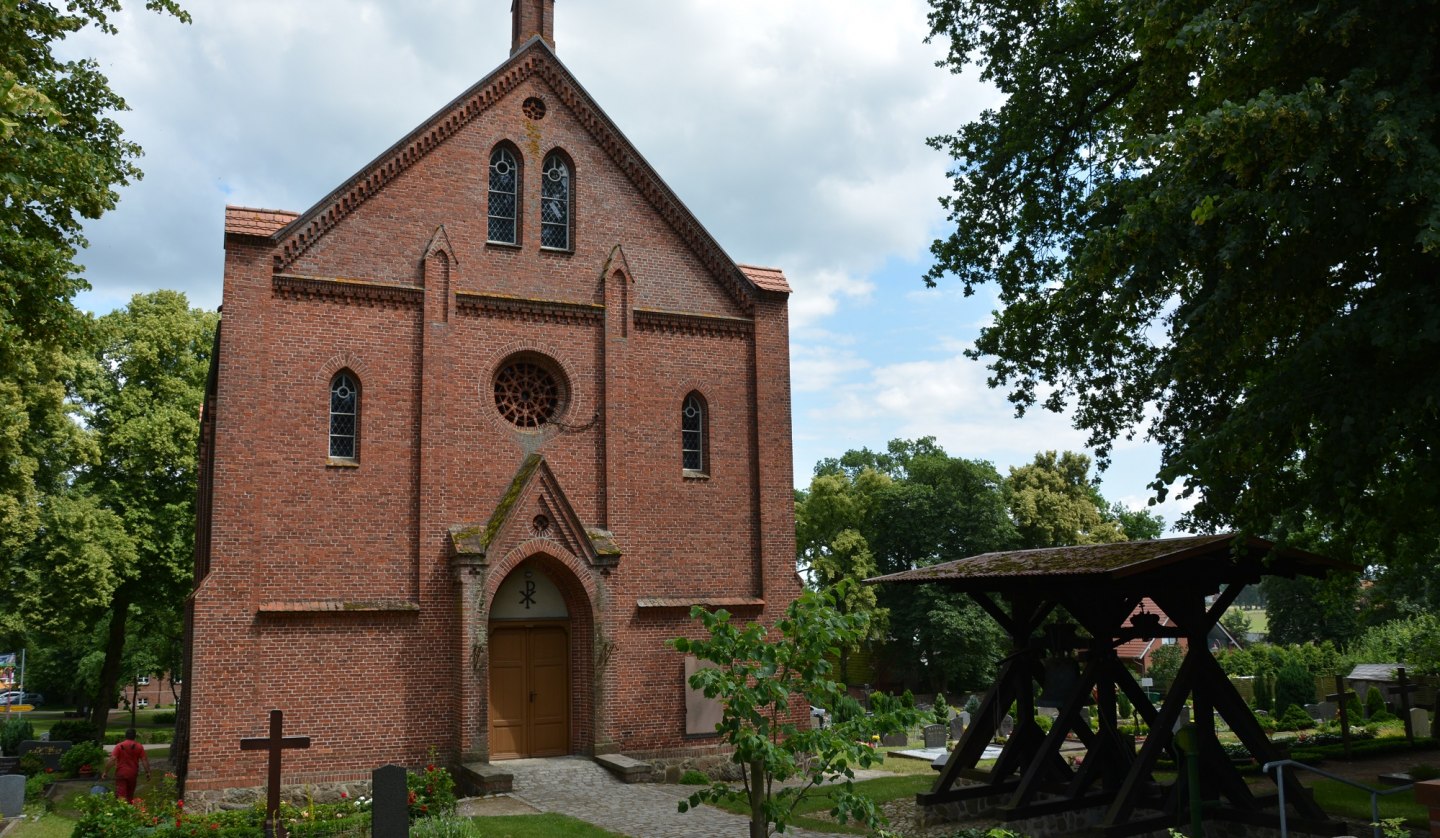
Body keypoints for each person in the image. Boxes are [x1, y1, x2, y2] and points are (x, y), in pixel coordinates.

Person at [103, 728, 150, 803]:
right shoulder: (139, 746)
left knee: (121, 794)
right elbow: (144, 760)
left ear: (125, 736)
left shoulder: (119, 746)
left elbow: (112, 759)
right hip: (132, 773)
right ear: (135, 736)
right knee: (130, 794)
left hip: (121, 773)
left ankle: (122, 810)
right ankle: (129, 808)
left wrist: (105, 772)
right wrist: (148, 772)